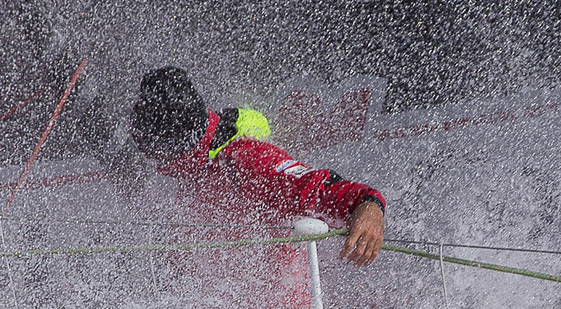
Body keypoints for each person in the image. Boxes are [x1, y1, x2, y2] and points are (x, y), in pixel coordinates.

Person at [129, 68, 386, 263]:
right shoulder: (196, 162)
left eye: (148, 146)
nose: (149, 157)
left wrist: (368, 206)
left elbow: (319, 187)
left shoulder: (247, 162)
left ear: (177, 143)